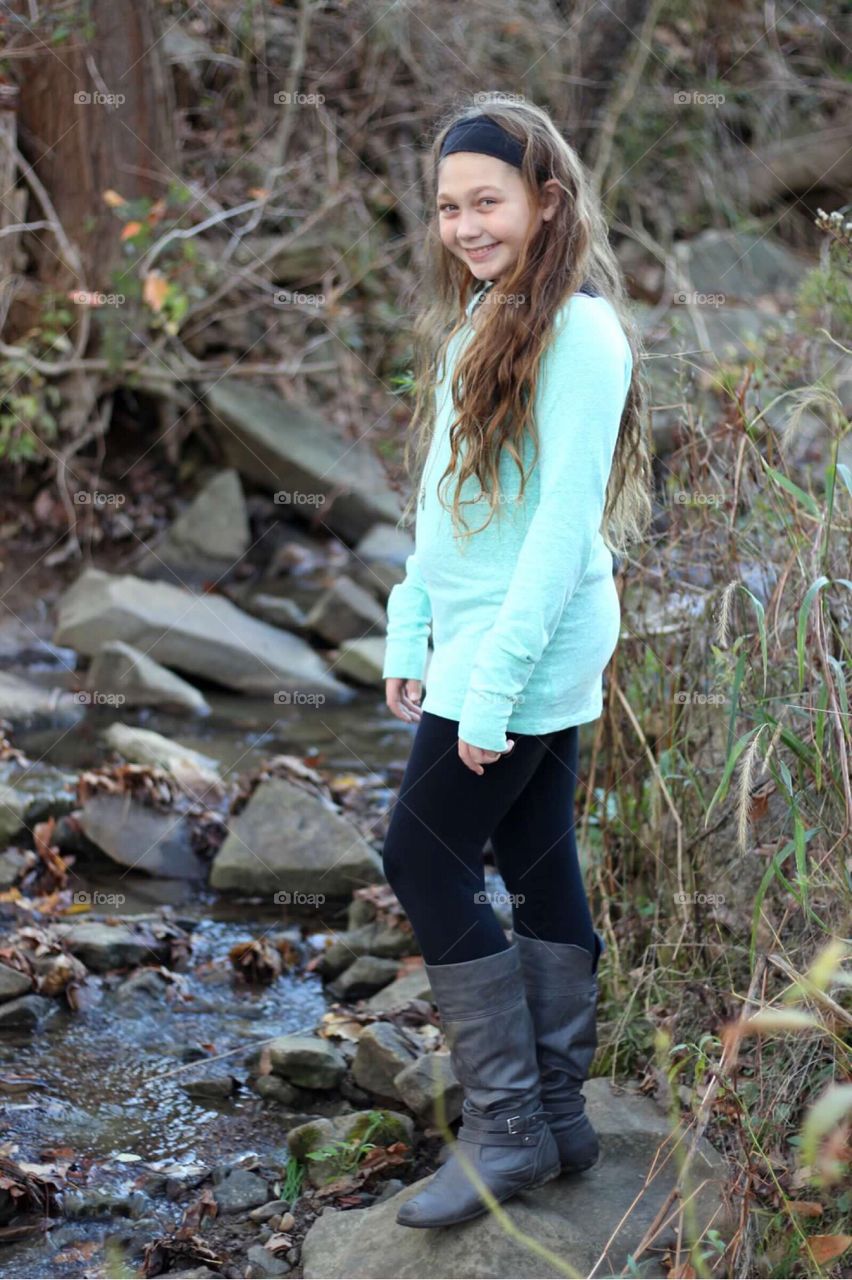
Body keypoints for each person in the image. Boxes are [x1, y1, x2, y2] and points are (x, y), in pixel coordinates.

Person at [380, 96, 653, 1230]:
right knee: (539, 855)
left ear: (548, 199)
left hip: (527, 642)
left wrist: (487, 683)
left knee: (423, 860)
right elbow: (452, 503)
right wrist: (411, 619)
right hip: (485, 634)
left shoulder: (582, 334)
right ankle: (557, 1112)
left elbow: (558, 530)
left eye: (485, 201)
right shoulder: (486, 316)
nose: (465, 224)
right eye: (448, 207)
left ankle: (505, 1133)